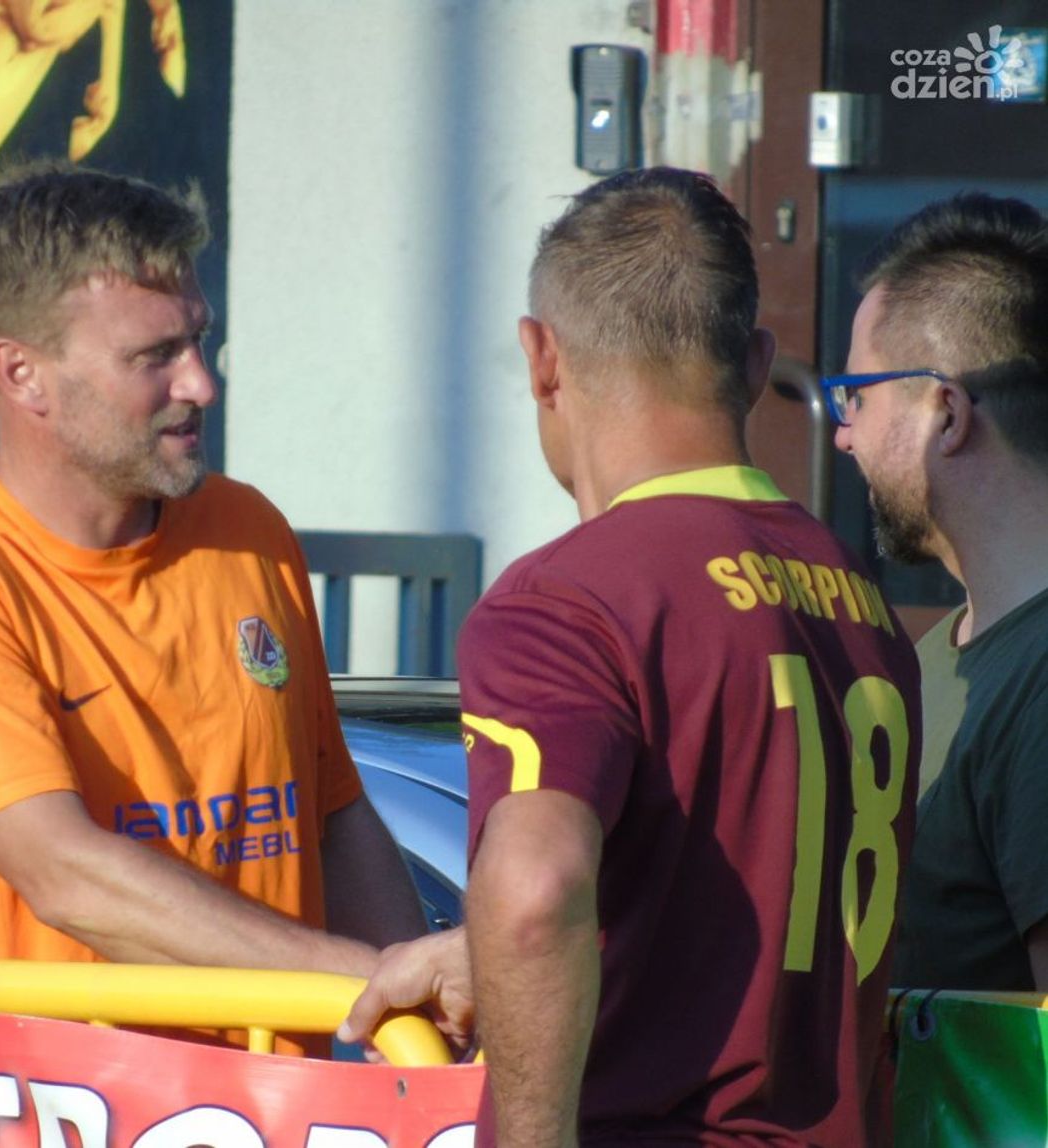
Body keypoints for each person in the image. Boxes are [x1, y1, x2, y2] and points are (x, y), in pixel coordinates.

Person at [343, 167, 922, 1145]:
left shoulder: (565, 601)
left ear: (542, 359)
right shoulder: (860, 599)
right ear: (755, 364)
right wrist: (482, 951)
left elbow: (537, 896)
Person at [0, 162, 425, 1047]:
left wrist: (425, 1029)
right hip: (38, 1103)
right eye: (155, 357)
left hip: (267, 1103)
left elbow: (334, 818)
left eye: (199, 342)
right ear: (22, 374)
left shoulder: (249, 531)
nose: (201, 385)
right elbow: (66, 875)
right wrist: (367, 984)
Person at [830, 193, 1048, 992]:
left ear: (946, 414)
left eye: (856, 396)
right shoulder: (932, 661)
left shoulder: (1038, 679)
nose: (842, 433)